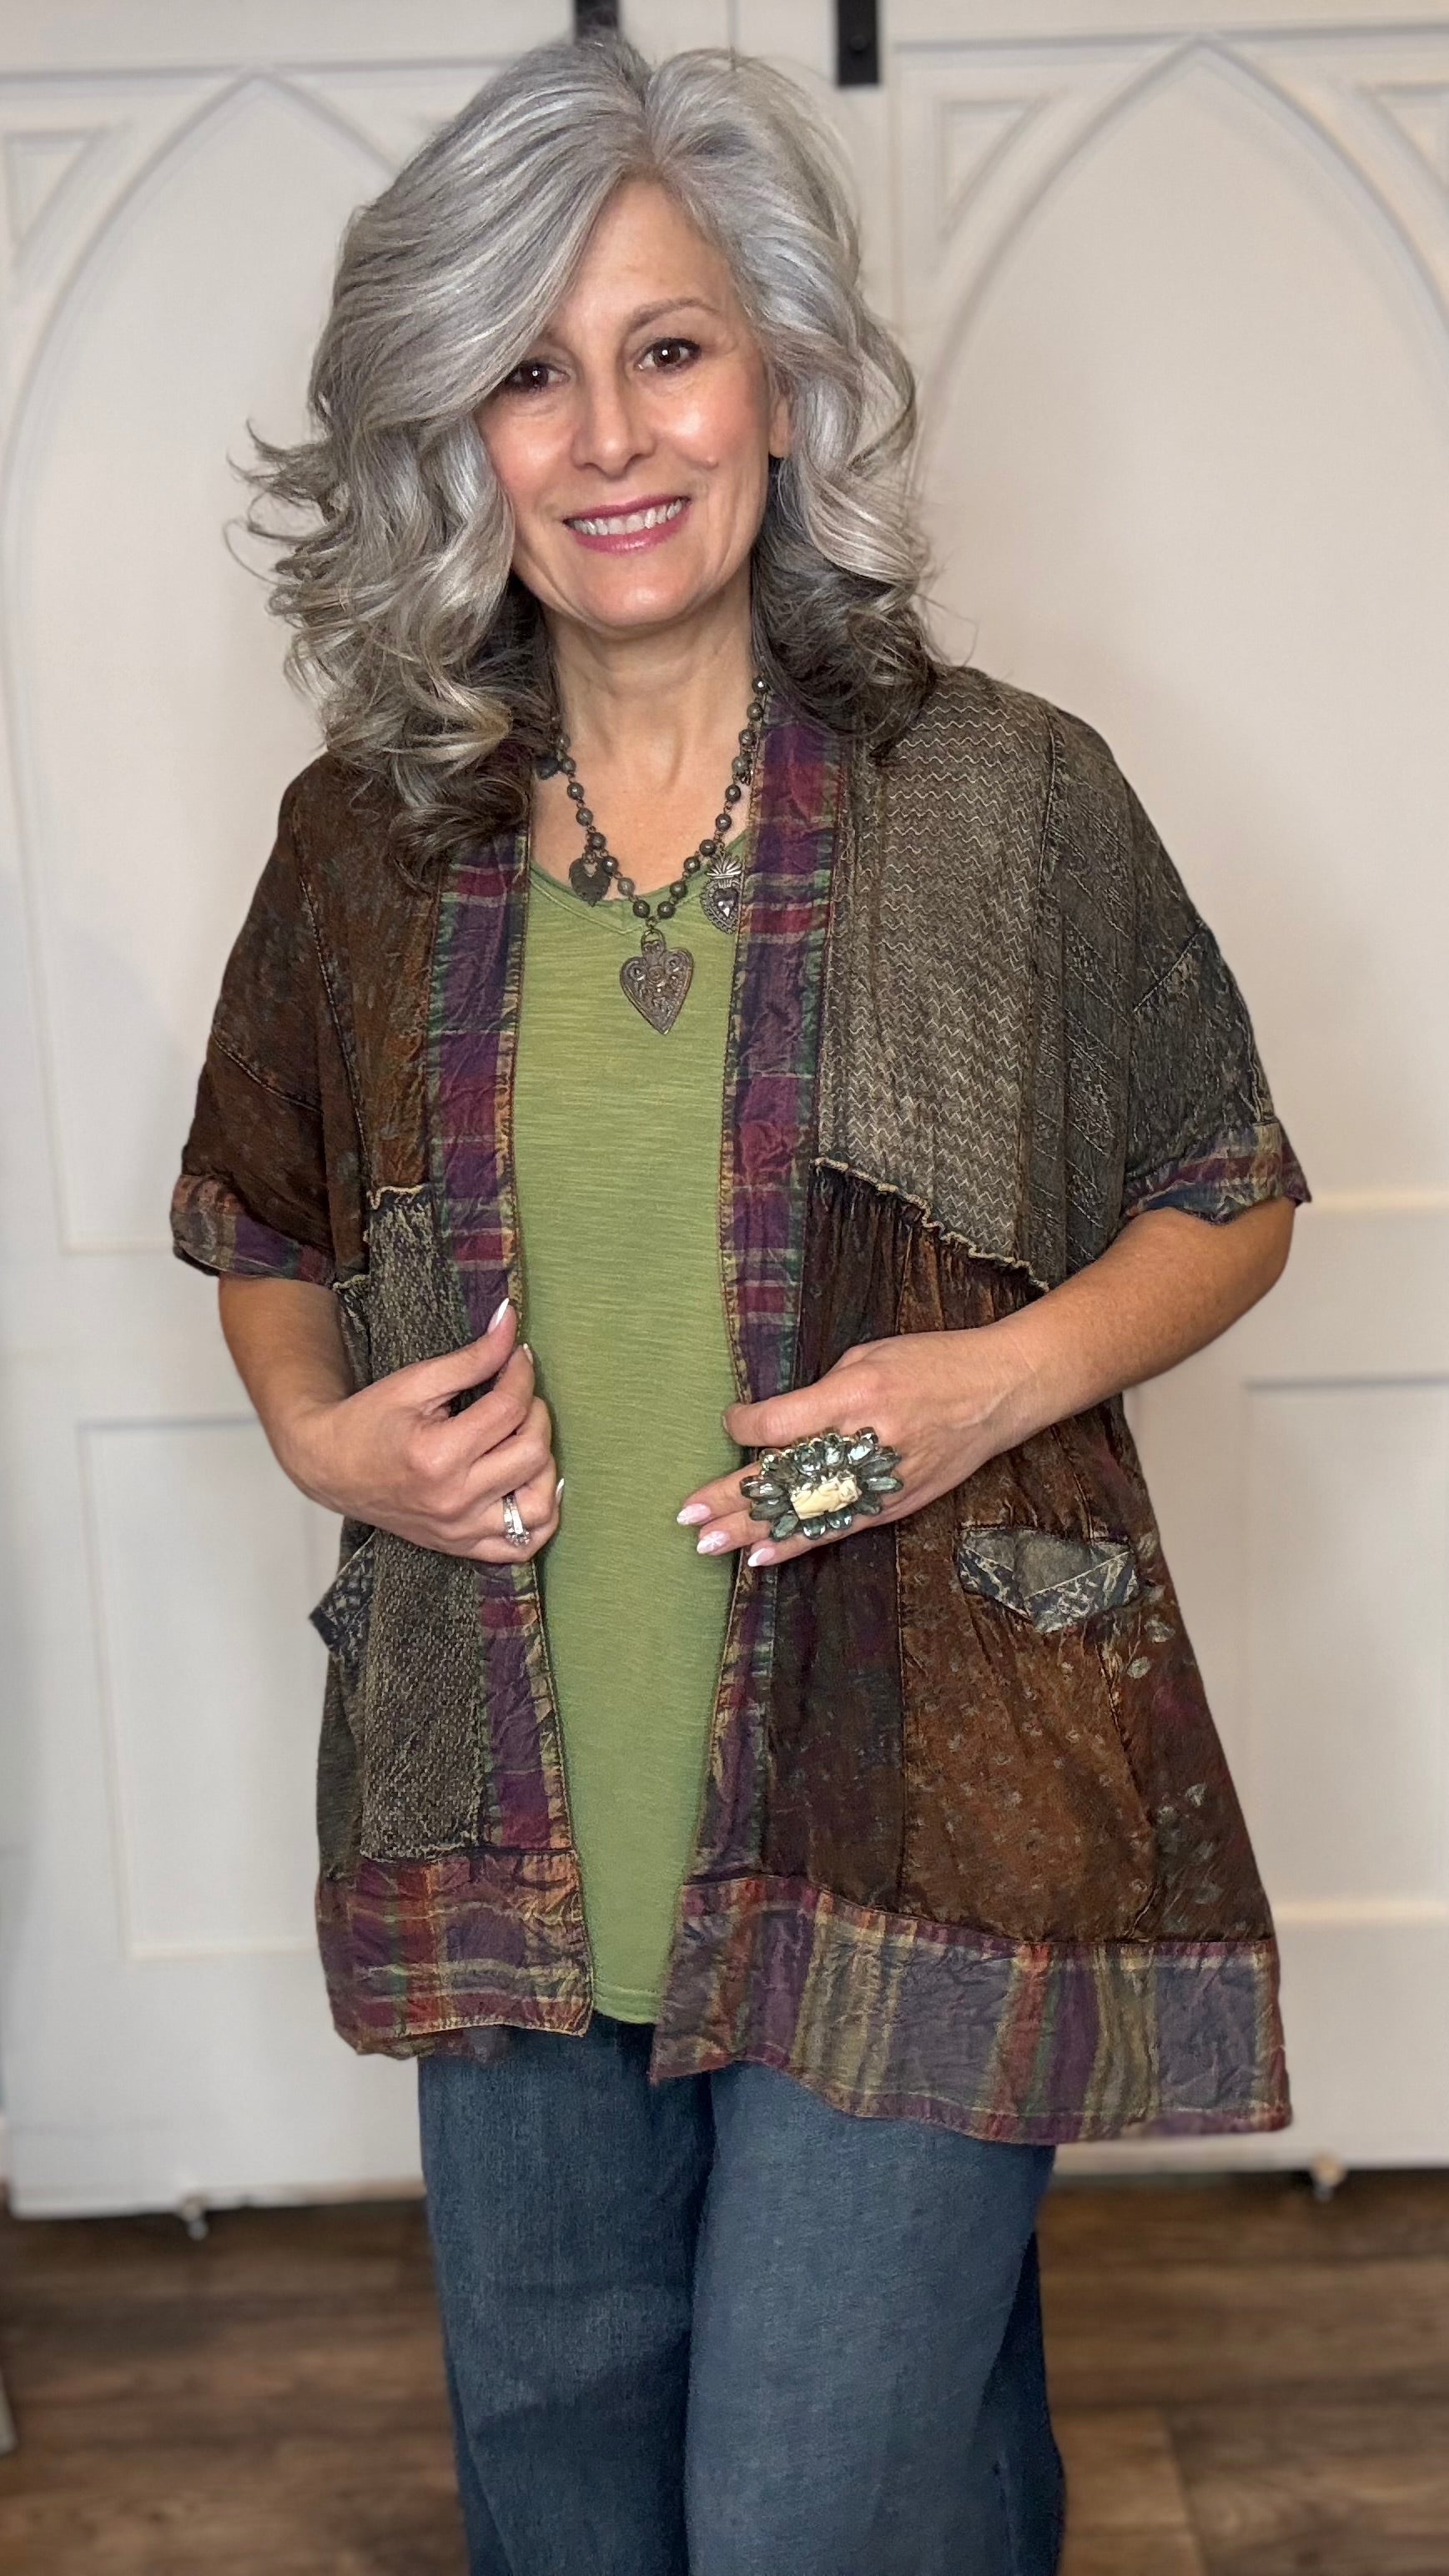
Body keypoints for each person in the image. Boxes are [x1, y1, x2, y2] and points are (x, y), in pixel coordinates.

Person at [170, 32, 1309, 2576]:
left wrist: (995, 1376)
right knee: (574, 2508)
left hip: (921, 1795)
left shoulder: (1003, 798)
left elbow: (1223, 1185)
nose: (606, 432)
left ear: (778, 379)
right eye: (525, 368)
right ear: (444, 440)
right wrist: (321, 1440)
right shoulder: (368, 847)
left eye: (665, 346)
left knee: (800, 2511)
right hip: (512, 1809)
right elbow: (255, 1216)